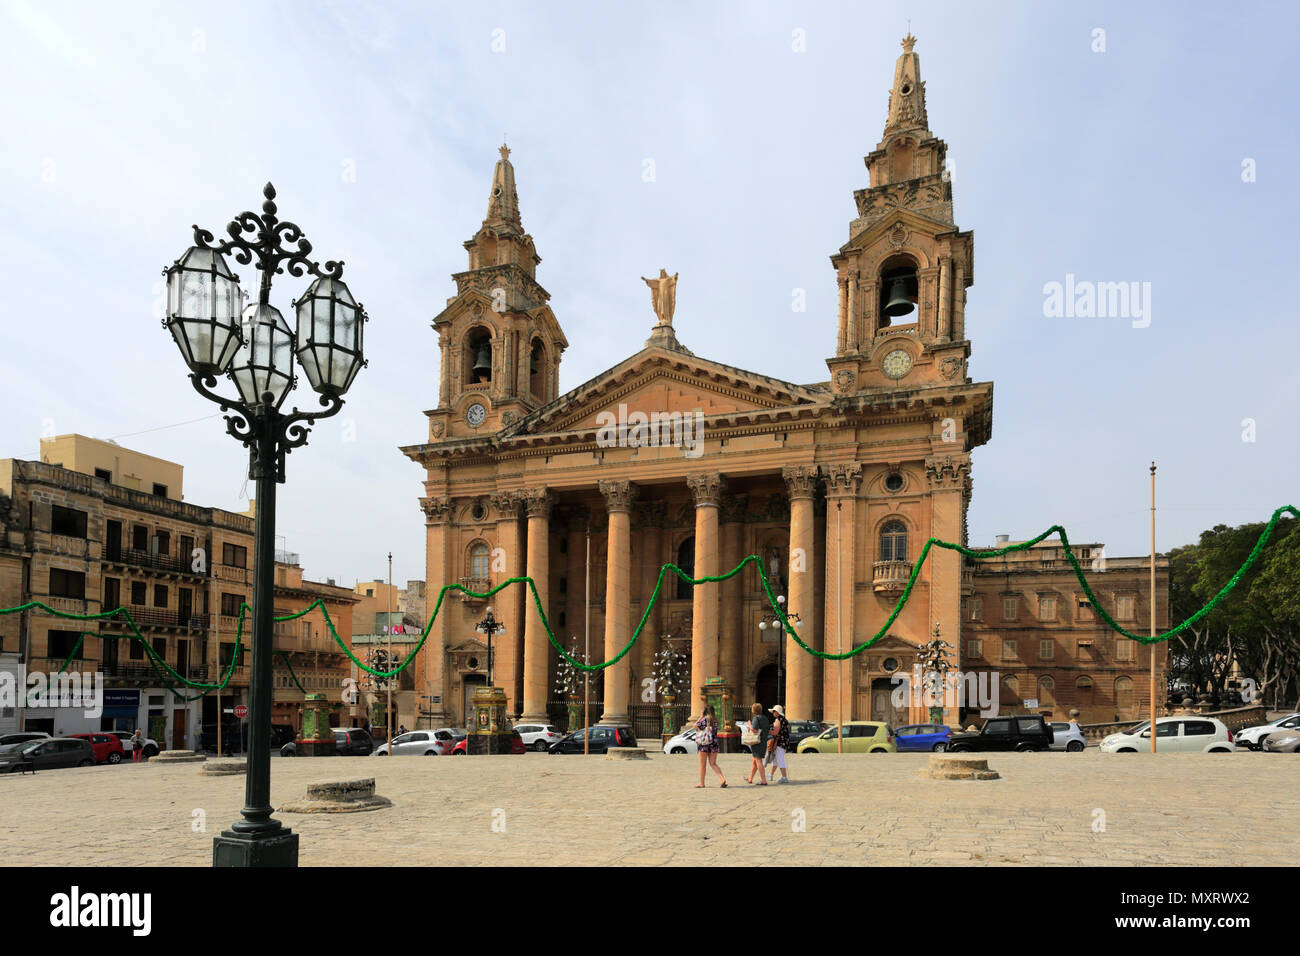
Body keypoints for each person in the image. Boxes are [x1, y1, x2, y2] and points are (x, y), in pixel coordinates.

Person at [692, 705, 726, 788]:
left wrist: (700, 717)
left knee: (702, 764)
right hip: (713, 743)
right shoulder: (715, 720)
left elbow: (695, 726)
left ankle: (702, 783)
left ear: (705, 712)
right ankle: (722, 779)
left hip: (704, 743)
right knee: (713, 763)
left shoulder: (704, 719)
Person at [744, 702, 769, 784]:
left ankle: (764, 780)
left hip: (757, 742)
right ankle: (750, 778)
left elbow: (754, 730)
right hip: (763, 740)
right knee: (754, 760)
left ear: (753, 710)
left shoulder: (756, 718)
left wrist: (749, 724)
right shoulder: (765, 718)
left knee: (758, 760)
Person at [766, 704, 791, 782]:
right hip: (784, 741)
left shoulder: (778, 720)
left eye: (774, 711)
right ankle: (770, 774)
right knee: (776, 759)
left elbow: (775, 732)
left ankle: (784, 777)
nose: (773, 713)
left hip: (779, 742)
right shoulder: (784, 719)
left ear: (777, 712)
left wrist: (767, 731)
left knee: (780, 759)